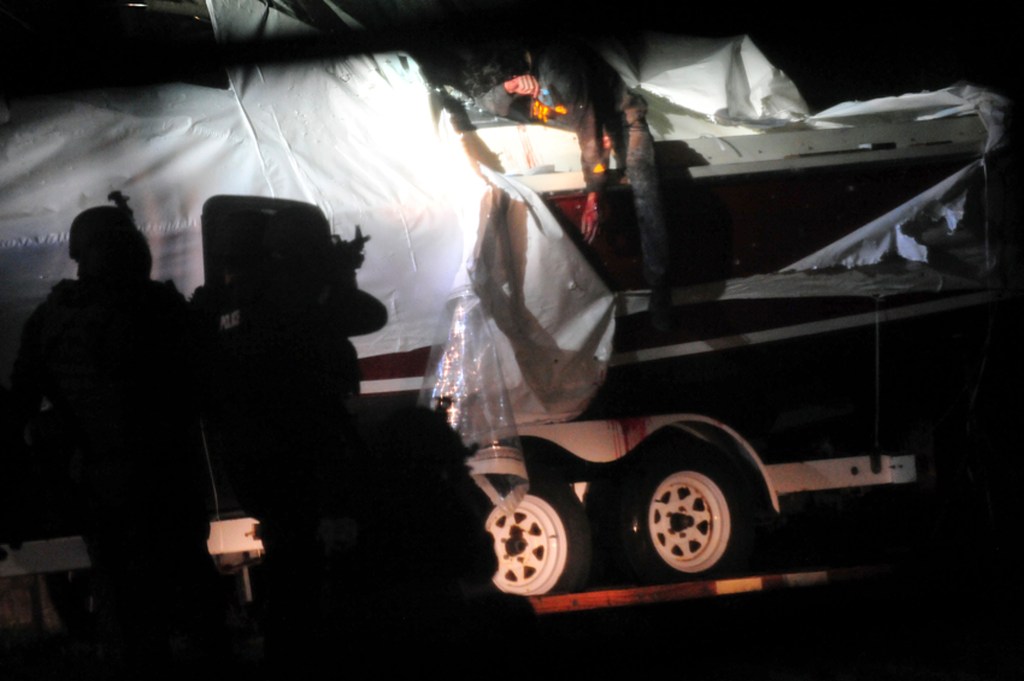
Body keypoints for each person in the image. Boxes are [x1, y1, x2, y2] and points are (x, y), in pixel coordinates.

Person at [8, 197, 229, 673]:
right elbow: (210, 387)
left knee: (129, 614)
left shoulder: (52, 321)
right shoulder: (160, 309)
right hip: (165, 479)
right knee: (195, 605)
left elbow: (22, 404)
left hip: (105, 485)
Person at [190, 203, 387, 673]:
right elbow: (366, 315)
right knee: (314, 559)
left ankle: (287, 644)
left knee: (287, 552)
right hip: (300, 443)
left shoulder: (221, 300)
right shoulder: (294, 290)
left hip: (248, 449)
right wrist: (338, 276)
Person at [453, 38, 674, 330]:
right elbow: (487, 101)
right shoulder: (509, 71)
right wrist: (509, 88)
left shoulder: (560, 65)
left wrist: (595, 193)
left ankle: (660, 287)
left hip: (619, 119)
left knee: (646, 194)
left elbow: (592, 135)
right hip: (571, 114)